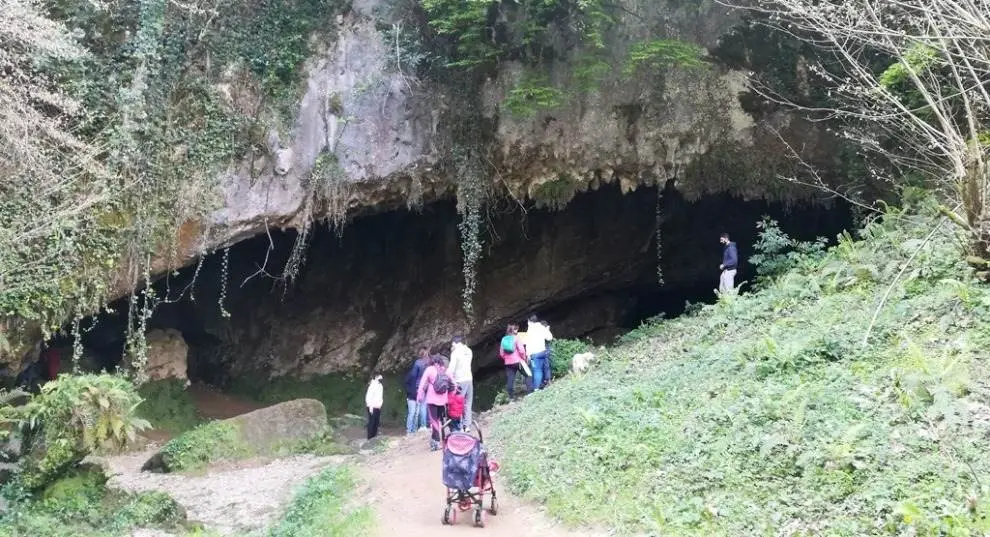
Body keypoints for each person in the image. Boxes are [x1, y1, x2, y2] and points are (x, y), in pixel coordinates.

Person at [417, 354, 450, 451]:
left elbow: (422, 383)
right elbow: (452, 382)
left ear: (432, 361)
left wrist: (420, 396)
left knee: (434, 421)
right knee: (440, 420)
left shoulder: (429, 369)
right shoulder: (444, 369)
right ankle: (436, 441)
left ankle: (436, 442)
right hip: (443, 400)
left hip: (432, 400)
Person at [448, 336, 474, 432]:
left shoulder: (455, 353)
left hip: (459, 381)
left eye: (452, 345)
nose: (452, 346)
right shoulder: (469, 351)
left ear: (455, 343)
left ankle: (459, 425)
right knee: (468, 402)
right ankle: (467, 425)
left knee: (458, 403)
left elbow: (451, 369)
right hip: (469, 379)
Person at [403, 347, 429, 435]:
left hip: (416, 389)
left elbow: (413, 376)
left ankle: (410, 430)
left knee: (413, 412)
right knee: (422, 408)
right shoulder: (429, 363)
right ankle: (423, 426)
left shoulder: (418, 363)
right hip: (426, 388)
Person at [499, 324, 528, 399]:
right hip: (518, 361)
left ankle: (511, 397)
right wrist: (524, 358)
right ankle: (530, 390)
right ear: (513, 331)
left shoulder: (503, 339)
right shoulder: (516, 338)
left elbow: (501, 353)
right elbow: (521, 350)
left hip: (508, 363)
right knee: (527, 374)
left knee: (510, 379)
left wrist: (506, 359)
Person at [526, 314, 554, 390]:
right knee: (542, 368)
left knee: (537, 370)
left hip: (534, 354)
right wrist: (547, 330)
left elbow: (528, 343)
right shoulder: (541, 327)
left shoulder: (530, 330)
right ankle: (543, 384)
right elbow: (549, 338)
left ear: (529, 321)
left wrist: (527, 354)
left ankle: (536, 388)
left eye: (528, 321)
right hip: (543, 352)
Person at [365, 374, 383, 440]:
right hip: (372, 406)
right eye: (379, 376)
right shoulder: (372, 385)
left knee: (376, 422)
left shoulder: (380, 385)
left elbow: (380, 396)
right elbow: (369, 397)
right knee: (372, 422)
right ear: (376, 377)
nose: (381, 378)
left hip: (378, 406)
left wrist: (380, 404)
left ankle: (374, 437)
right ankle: (369, 437)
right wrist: (370, 407)